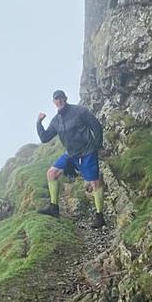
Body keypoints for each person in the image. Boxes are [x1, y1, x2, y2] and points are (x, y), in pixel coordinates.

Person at [36, 89, 105, 228]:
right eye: (56, 99)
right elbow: (45, 138)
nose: (59, 101)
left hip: (87, 152)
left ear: (65, 98)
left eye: (61, 98)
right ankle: (54, 207)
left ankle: (100, 216)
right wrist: (39, 122)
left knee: (95, 183)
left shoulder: (80, 111)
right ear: (54, 102)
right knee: (51, 173)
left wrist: (97, 146)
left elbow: (96, 126)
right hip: (71, 154)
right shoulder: (56, 121)